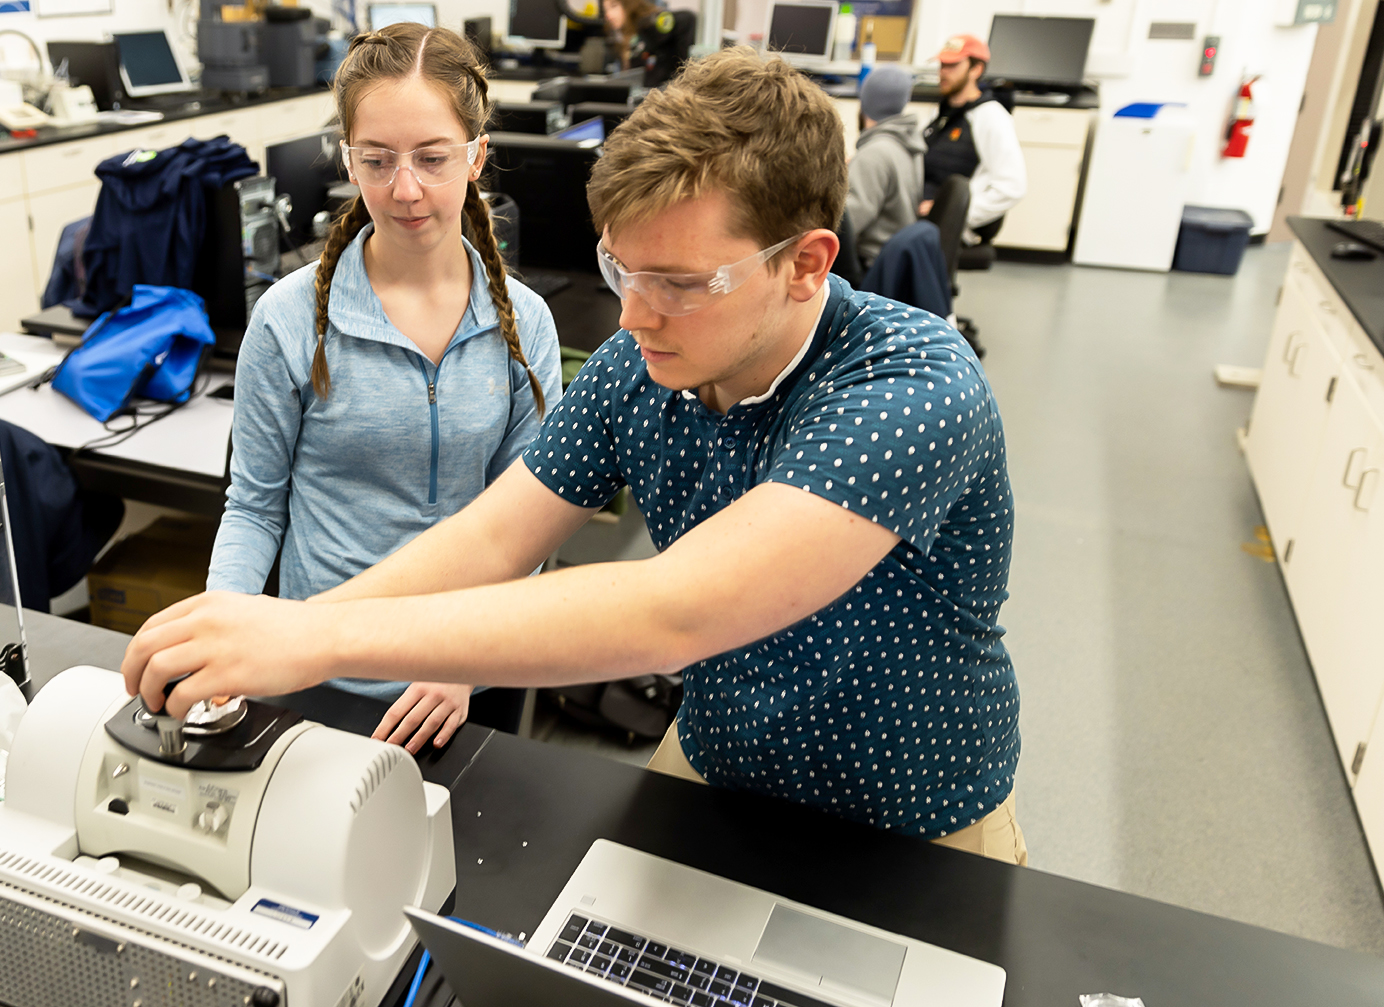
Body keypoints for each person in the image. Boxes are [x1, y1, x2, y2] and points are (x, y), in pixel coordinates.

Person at [126, 47, 1026, 864]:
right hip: (715, 766)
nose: (632, 318)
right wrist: (272, 628)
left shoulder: (911, 388)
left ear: (805, 264)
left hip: (910, 822)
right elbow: (492, 540)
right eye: (620, 271)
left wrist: (312, 634)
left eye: (677, 284)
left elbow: (679, 610)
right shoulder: (642, 364)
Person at [203, 23, 561, 754]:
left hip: (465, 686)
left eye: (432, 158)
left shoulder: (525, 325)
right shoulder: (289, 319)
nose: (404, 190)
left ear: (476, 154)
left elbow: (528, 526)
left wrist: (465, 658)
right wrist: (223, 632)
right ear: (347, 158)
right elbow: (254, 508)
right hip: (322, 674)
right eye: (377, 159)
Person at [919, 34, 1025, 247]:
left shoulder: (991, 117)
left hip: (946, 227)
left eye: (952, 65)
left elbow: (1013, 186)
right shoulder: (940, 112)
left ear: (976, 69)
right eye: (942, 65)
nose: (943, 72)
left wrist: (950, 213)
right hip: (920, 215)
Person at [844, 64, 925, 271]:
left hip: (869, 261)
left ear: (866, 102)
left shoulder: (874, 155)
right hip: (894, 256)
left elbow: (848, 224)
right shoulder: (908, 144)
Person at [604, 0, 696, 87]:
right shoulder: (630, 39)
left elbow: (686, 18)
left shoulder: (649, 27)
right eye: (605, 9)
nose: (608, 15)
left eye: (613, 6)